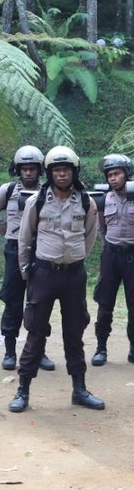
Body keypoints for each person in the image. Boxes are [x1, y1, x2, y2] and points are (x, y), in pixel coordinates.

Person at [8, 145, 105, 414]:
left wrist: (74, 260)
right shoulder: (35, 201)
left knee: (74, 333)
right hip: (43, 275)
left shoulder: (86, 202)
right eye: (56, 170)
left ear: (74, 172)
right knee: (36, 332)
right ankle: (23, 390)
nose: (62, 174)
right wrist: (29, 272)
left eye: (66, 170)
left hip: (74, 275)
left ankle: (80, 389)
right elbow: (24, 240)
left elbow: (89, 238)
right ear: (49, 174)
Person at [0, 145, 55, 372]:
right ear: (17, 169)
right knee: (13, 301)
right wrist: (10, 232)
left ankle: (39, 352)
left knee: (39, 303)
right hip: (14, 251)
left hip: (42, 251)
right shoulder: (7, 190)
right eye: (24, 168)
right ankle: (9, 352)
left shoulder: (49, 191)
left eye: (32, 168)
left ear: (39, 170)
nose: (28, 173)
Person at [91, 154, 134, 366]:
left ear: (127, 174)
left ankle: (133, 348)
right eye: (109, 175)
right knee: (105, 303)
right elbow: (101, 227)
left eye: (117, 173)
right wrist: (110, 245)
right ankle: (101, 348)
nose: (113, 178)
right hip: (111, 255)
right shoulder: (103, 198)